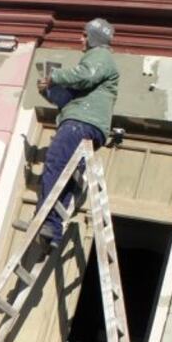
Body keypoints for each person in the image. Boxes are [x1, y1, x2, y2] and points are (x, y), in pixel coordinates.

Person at [36, 17, 119, 246]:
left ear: (94, 38)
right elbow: (69, 99)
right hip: (84, 121)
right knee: (69, 176)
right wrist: (49, 91)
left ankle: (46, 220)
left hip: (81, 123)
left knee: (55, 164)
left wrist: (55, 76)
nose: (79, 38)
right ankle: (52, 230)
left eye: (84, 35)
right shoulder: (95, 69)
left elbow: (85, 75)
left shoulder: (100, 56)